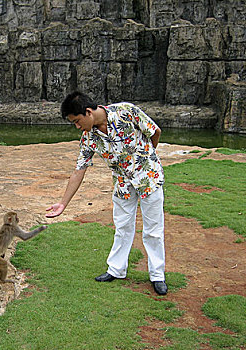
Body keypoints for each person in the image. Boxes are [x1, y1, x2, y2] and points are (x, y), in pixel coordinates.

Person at [45, 91, 167, 295]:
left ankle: (157, 275)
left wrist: (146, 159)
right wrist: (63, 204)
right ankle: (116, 270)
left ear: (88, 112)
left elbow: (155, 131)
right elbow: (79, 170)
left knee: (153, 229)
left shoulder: (126, 112)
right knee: (122, 227)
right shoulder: (89, 138)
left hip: (149, 179)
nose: (77, 126)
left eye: (76, 121)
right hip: (122, 184)